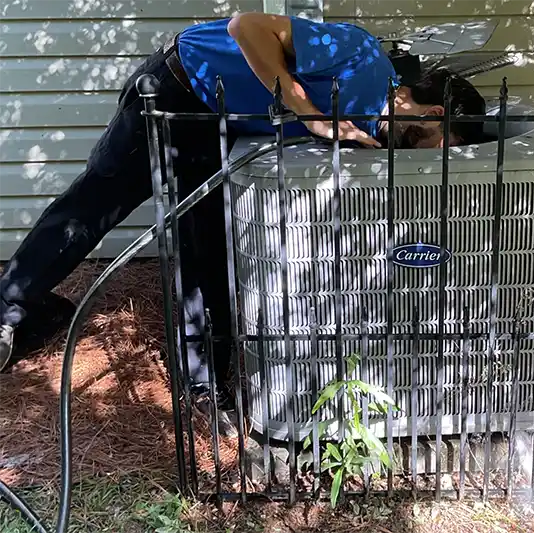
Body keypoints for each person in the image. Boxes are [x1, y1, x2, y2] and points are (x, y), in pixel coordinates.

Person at [0, 13, 486, 436]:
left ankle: (204, 382)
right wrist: (312, 115)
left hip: (216, 124)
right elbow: (247, 26)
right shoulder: (361, 56)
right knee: (93, 207)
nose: (435, 156)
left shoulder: (369, 137)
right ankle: (8, 310)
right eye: (445, 143)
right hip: (176, 87)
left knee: (205, 241)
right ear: (437, 113)